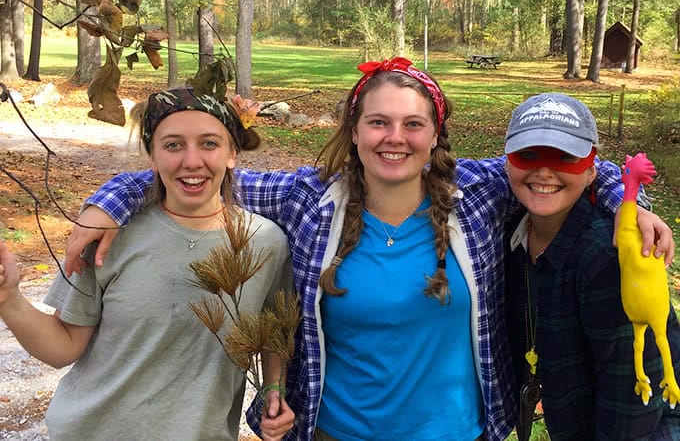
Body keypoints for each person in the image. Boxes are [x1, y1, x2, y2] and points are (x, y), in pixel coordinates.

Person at [62, 58, 675, 441]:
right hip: (334, 433)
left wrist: (630, 204)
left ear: (436, 135)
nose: (395, 138)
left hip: (461, 432)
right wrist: (111, 199)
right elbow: (197, 172)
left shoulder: (479, 193)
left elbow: (565, 169)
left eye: (413, 124)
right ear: (354, 132)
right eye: (378, 122)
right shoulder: (308, 201)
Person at [0, 88, 295, 441]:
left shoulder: (267, 243)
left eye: (209, 144)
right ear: (152, 156)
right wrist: (9, 299)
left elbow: (273, 334)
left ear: (233, 153)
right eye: (172, 145)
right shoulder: (109, 236)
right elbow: (63, 346)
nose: (191, 161)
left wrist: (272, 389)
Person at [503, 93, 680, 440]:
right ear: (505, 162)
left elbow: (631, 401)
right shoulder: (513, 231)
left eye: (565, 157)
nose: (543, 171)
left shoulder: (607, 258)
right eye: (528, 154)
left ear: (590, 172)